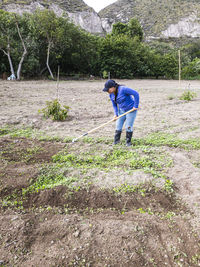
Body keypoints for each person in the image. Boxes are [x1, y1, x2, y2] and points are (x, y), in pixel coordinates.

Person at [103, 79, 139, 146]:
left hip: (131, 110)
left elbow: (136, 93)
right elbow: (114, 105)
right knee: (118, 125)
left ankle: (128, 142)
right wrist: (116, 114)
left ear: (113, 87)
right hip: (121, 111)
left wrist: (135, 105)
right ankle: (116, 141)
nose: (107, 91)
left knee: (128, 126)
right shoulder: (111, 95)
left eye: (108, 89)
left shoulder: (123, 89)